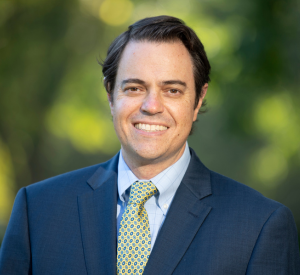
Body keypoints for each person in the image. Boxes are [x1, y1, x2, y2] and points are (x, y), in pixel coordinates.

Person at [0, 15, 299, 275]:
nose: (152, 106)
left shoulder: (261, 227)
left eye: (172, 90)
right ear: (110, 95)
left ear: (197, 101)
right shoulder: (37, 211)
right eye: (134, 88)